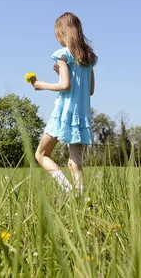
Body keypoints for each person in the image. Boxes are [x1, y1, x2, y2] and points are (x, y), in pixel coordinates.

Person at [32, 12, 97, 196]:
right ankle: (81, 198)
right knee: (75, 161)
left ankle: (67, 190)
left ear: (62, 32)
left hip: (64, 112)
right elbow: (89, 90)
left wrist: (42, 85)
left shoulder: (63, 55)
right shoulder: (88, 57)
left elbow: (66, 85)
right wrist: (60, 76)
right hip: (81, 114)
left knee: (41, 155)